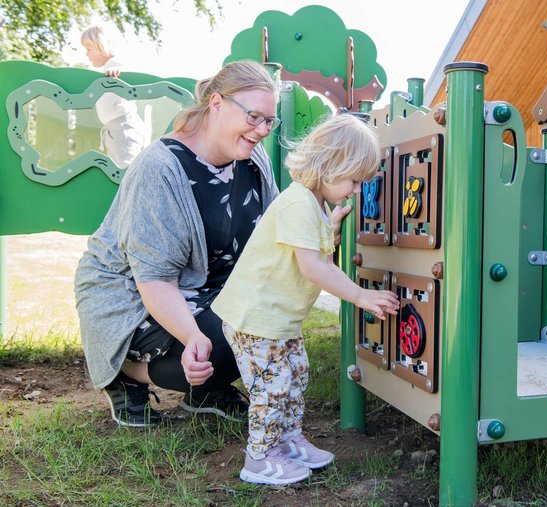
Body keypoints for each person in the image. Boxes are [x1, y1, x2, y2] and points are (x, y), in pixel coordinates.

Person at [75, 60, 352, 428]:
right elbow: (154, 279)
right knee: (224, 344)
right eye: (254, 117)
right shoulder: (159, 168)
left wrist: (316, 235)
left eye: (269, 122)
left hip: (207, 288)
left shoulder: (254, 159)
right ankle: (126, 370)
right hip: (132, 294)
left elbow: (270, 238)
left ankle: (205, 390)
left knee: (263, 322)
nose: (262, 130)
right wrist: (192, 335)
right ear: (217, 103)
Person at [211, 114, 400, 485]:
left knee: (296, 374)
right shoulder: (298, 203)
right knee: (273, 385)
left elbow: (315, 249)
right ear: (330, 166)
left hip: (278, 319)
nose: (356, 190)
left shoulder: (314, 206)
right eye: (354, 180)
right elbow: (313, 266)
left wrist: (332, 228)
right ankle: (260, 458)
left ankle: (288, 440)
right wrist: (361, 296)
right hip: (255, 319)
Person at [81, 24, 147, 167]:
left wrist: (117, 70)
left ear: (100, 46)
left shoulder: (115, 64)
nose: (86, 54)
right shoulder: (104, 70)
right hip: (114, 128)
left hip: (124, 126)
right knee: (117, 167)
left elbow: (128, 70)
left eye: (88, 49)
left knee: (126, 167)